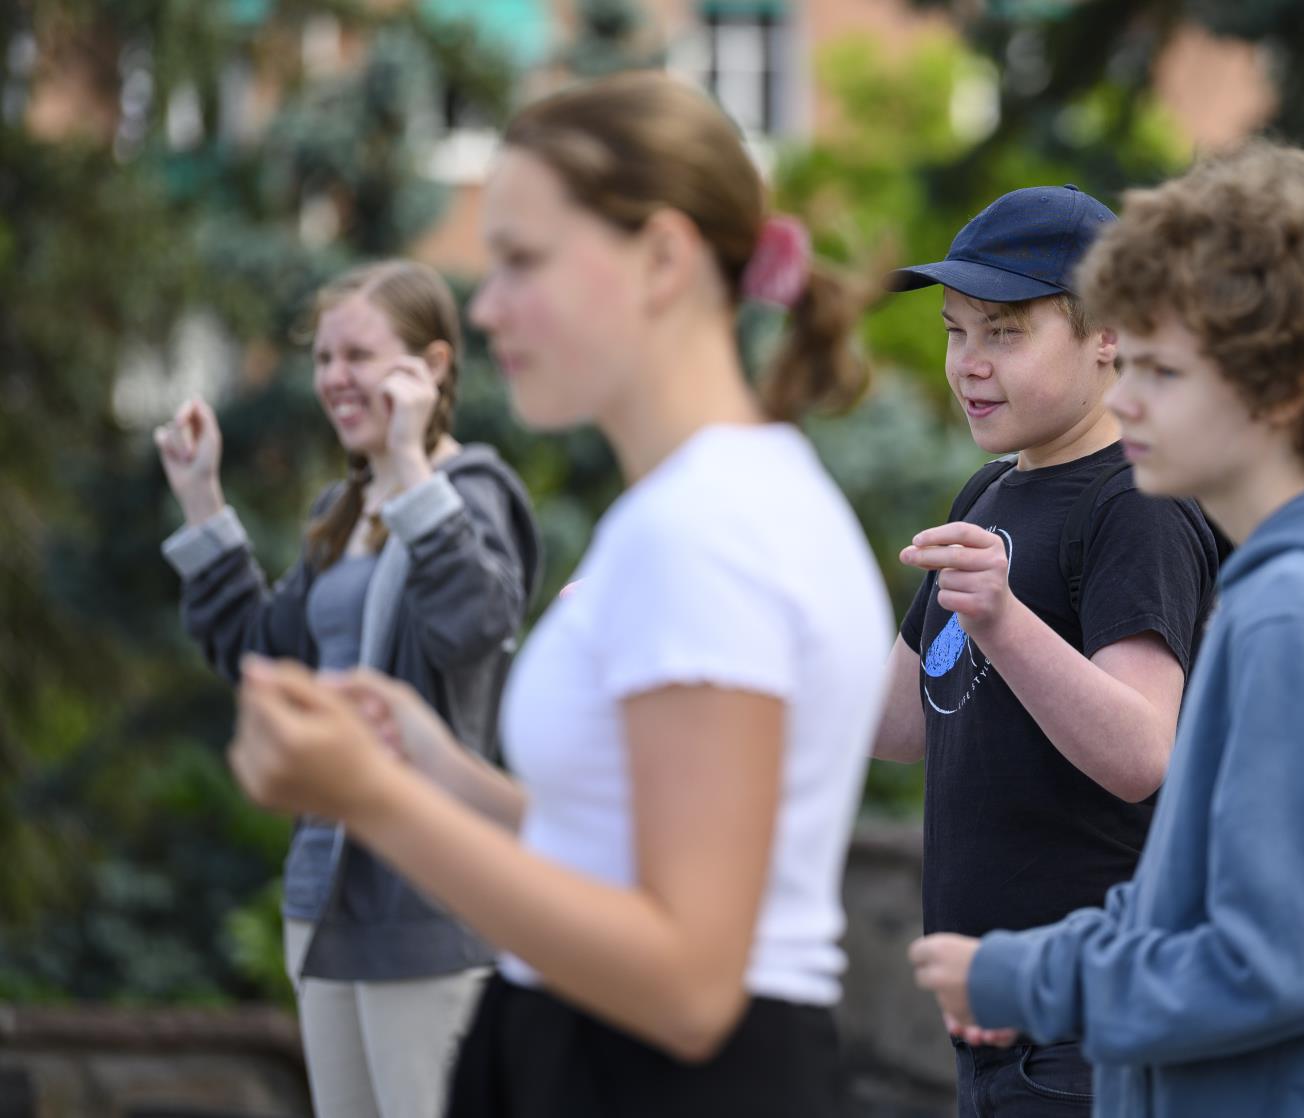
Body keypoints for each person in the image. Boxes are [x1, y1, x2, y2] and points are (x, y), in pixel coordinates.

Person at [218, 71, 892, 1117]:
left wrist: (375, 799)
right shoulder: (708, 501)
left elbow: (689, 983)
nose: (486, 308)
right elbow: (624, 841)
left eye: (521, 259)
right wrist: (439, 767)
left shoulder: (705, 529)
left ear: (662, 258)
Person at [908, 140, 1304, 1118]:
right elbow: (1214, 905)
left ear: (1274, 392)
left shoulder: (1297, 618)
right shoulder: (1297, 593)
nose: (1131, 397)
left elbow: (1282, 961)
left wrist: (1036, 979)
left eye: (1161, 368)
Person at [156, 258, 541, 1118]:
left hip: (427, 900)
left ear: (431, 366)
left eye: (358, 355)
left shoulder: (473, 494)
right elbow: (259, 653)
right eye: (323, 357)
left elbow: (470, 628)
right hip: (324, 896)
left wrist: (409, 466)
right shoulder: (344, 510)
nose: (333, 378)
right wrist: (201, 500)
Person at [872, 185, 1220, 1112]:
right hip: (997, 1032)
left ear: (1107, 332)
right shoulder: (986, 494)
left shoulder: (1139, 503)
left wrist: (1004, 619)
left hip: (1092, 1038)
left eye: (1004, 332)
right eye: (956, 332)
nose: (968, 366)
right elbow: (898, 720)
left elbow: (1143, 750)